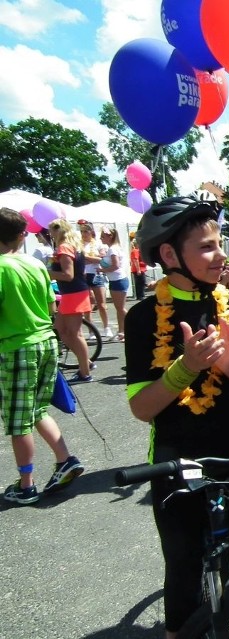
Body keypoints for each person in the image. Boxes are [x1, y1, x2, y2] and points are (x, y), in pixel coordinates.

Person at [126, 194, 229, 639]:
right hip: (178, 458)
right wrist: (185, 369)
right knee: (184, 566)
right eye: (207, 247)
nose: (220, 256)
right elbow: (141, 408)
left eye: (220, 243)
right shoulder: (143, 317)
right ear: (170, 255)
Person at [1, 207, 85, 506]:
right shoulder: (35, 265)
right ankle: (65, 459)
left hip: (16, 346)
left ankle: (26, 484)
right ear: (21, 235)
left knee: (18, 420)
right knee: (36, 410)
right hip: (46, 341)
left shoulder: (1, 268)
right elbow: (51, 306)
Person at [48, 219, 93, 382]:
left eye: (51, 230)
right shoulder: (72, 245)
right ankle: (86, 362)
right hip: (73, 293)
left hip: (74, 293)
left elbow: (68, 275)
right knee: (60, 329)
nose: (49, 234)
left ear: (58, 230)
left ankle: (85, 372)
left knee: (75, 334)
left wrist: (45, 272)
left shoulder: (64, 247)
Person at [79, 221, 111, 340]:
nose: (84, 234)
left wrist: (87, 258)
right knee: (87, 305)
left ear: (91, 232)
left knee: (101, 303)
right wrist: (90, 259)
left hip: (96, 274)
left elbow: (101, 259)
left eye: (86, 231)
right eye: (81, 231)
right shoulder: (79, 244)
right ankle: (91, 331)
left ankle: (106, 327)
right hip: (83, 275)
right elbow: (79, 260)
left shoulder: (98, 244)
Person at [98, 226, 129, 342]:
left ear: (110, 237)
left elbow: (115, 265)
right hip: (117, 280)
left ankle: (134, 323)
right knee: (119, 308)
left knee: (120, 309)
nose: (101, 239)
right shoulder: (113, 248)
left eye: (103, 236)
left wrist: (102, 270)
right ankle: (121, 331)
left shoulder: (113, 249)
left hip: (118, 280)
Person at [129, 234, 147, 301]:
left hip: (140, 269)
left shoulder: (137, 250)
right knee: (141, 282)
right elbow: (135, 260)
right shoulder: (135, 251)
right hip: (138, 269)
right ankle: (140, 296)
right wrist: (138, 270)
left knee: (140, 282)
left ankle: (141, 295)